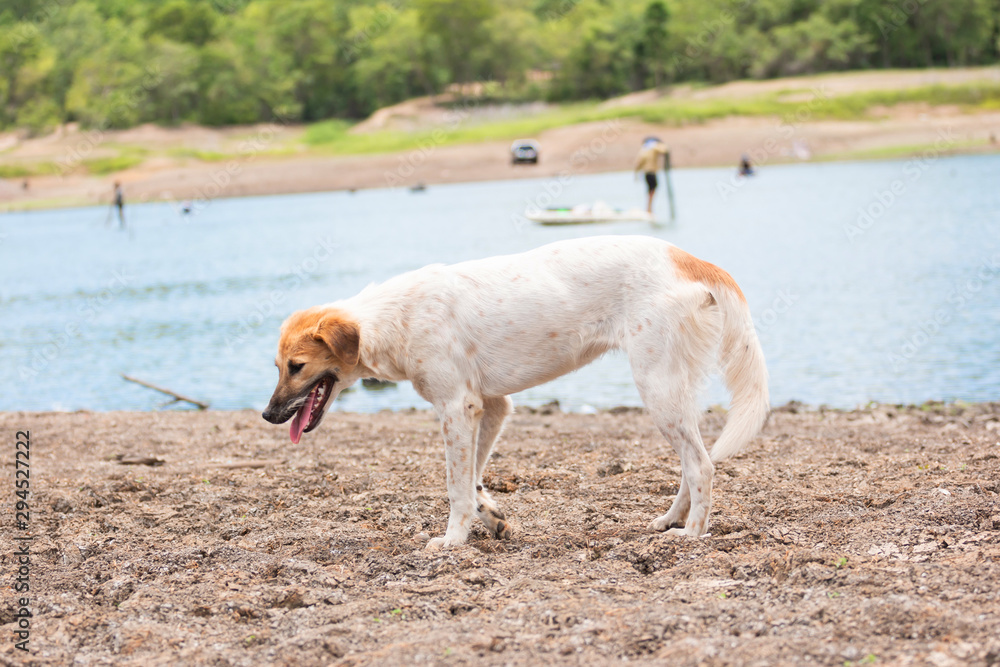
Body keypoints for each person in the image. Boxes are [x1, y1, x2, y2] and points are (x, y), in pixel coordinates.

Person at [635, 137, 670, 214]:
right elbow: (664, 150)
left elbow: (638, 163)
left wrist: (636, 173)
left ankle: (648, 208)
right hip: (651, 172)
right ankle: (649, 208)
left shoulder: (644, 149)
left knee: (650, 190)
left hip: (646, 173)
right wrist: (660, 144)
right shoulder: (654, 147)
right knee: (652, 190)